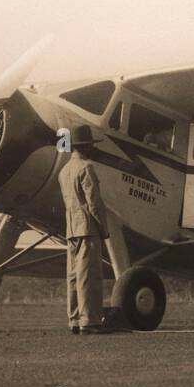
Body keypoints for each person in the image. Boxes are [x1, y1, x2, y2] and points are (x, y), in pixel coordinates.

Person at [59, 124, 110, 334]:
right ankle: (90, 321)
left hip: (71, 228)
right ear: (85, 146)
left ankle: (74, 319)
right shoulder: (86, 168)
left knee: (73, 276)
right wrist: (103, 228)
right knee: (89, 276)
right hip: (87, 228)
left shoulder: (64, 171)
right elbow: (94, 203)